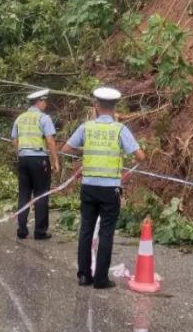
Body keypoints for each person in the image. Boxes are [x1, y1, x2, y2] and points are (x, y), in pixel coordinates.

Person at [61, 86, 147, 289]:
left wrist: (86, 153)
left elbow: (66, 149)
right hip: (110, 190)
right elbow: (140, 156)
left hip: (89, 187)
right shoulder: (120, 130)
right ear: (115, 107)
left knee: (86, 229)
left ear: (96, 106)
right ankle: (101, 279)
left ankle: (84, 276)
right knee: (106, 233)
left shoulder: (86, 128)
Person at [11, 89, 61, 239]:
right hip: (39, 160)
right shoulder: (43, 118)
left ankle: (21, 229)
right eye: (44, 101)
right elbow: (50, 140)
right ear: (39, 101)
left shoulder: (20, 118)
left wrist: (19, 154)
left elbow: (14, 139)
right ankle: (40, 231)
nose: (46, 104)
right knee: (41, 194)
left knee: (24, 194)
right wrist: (55, 160)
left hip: (23, 159)